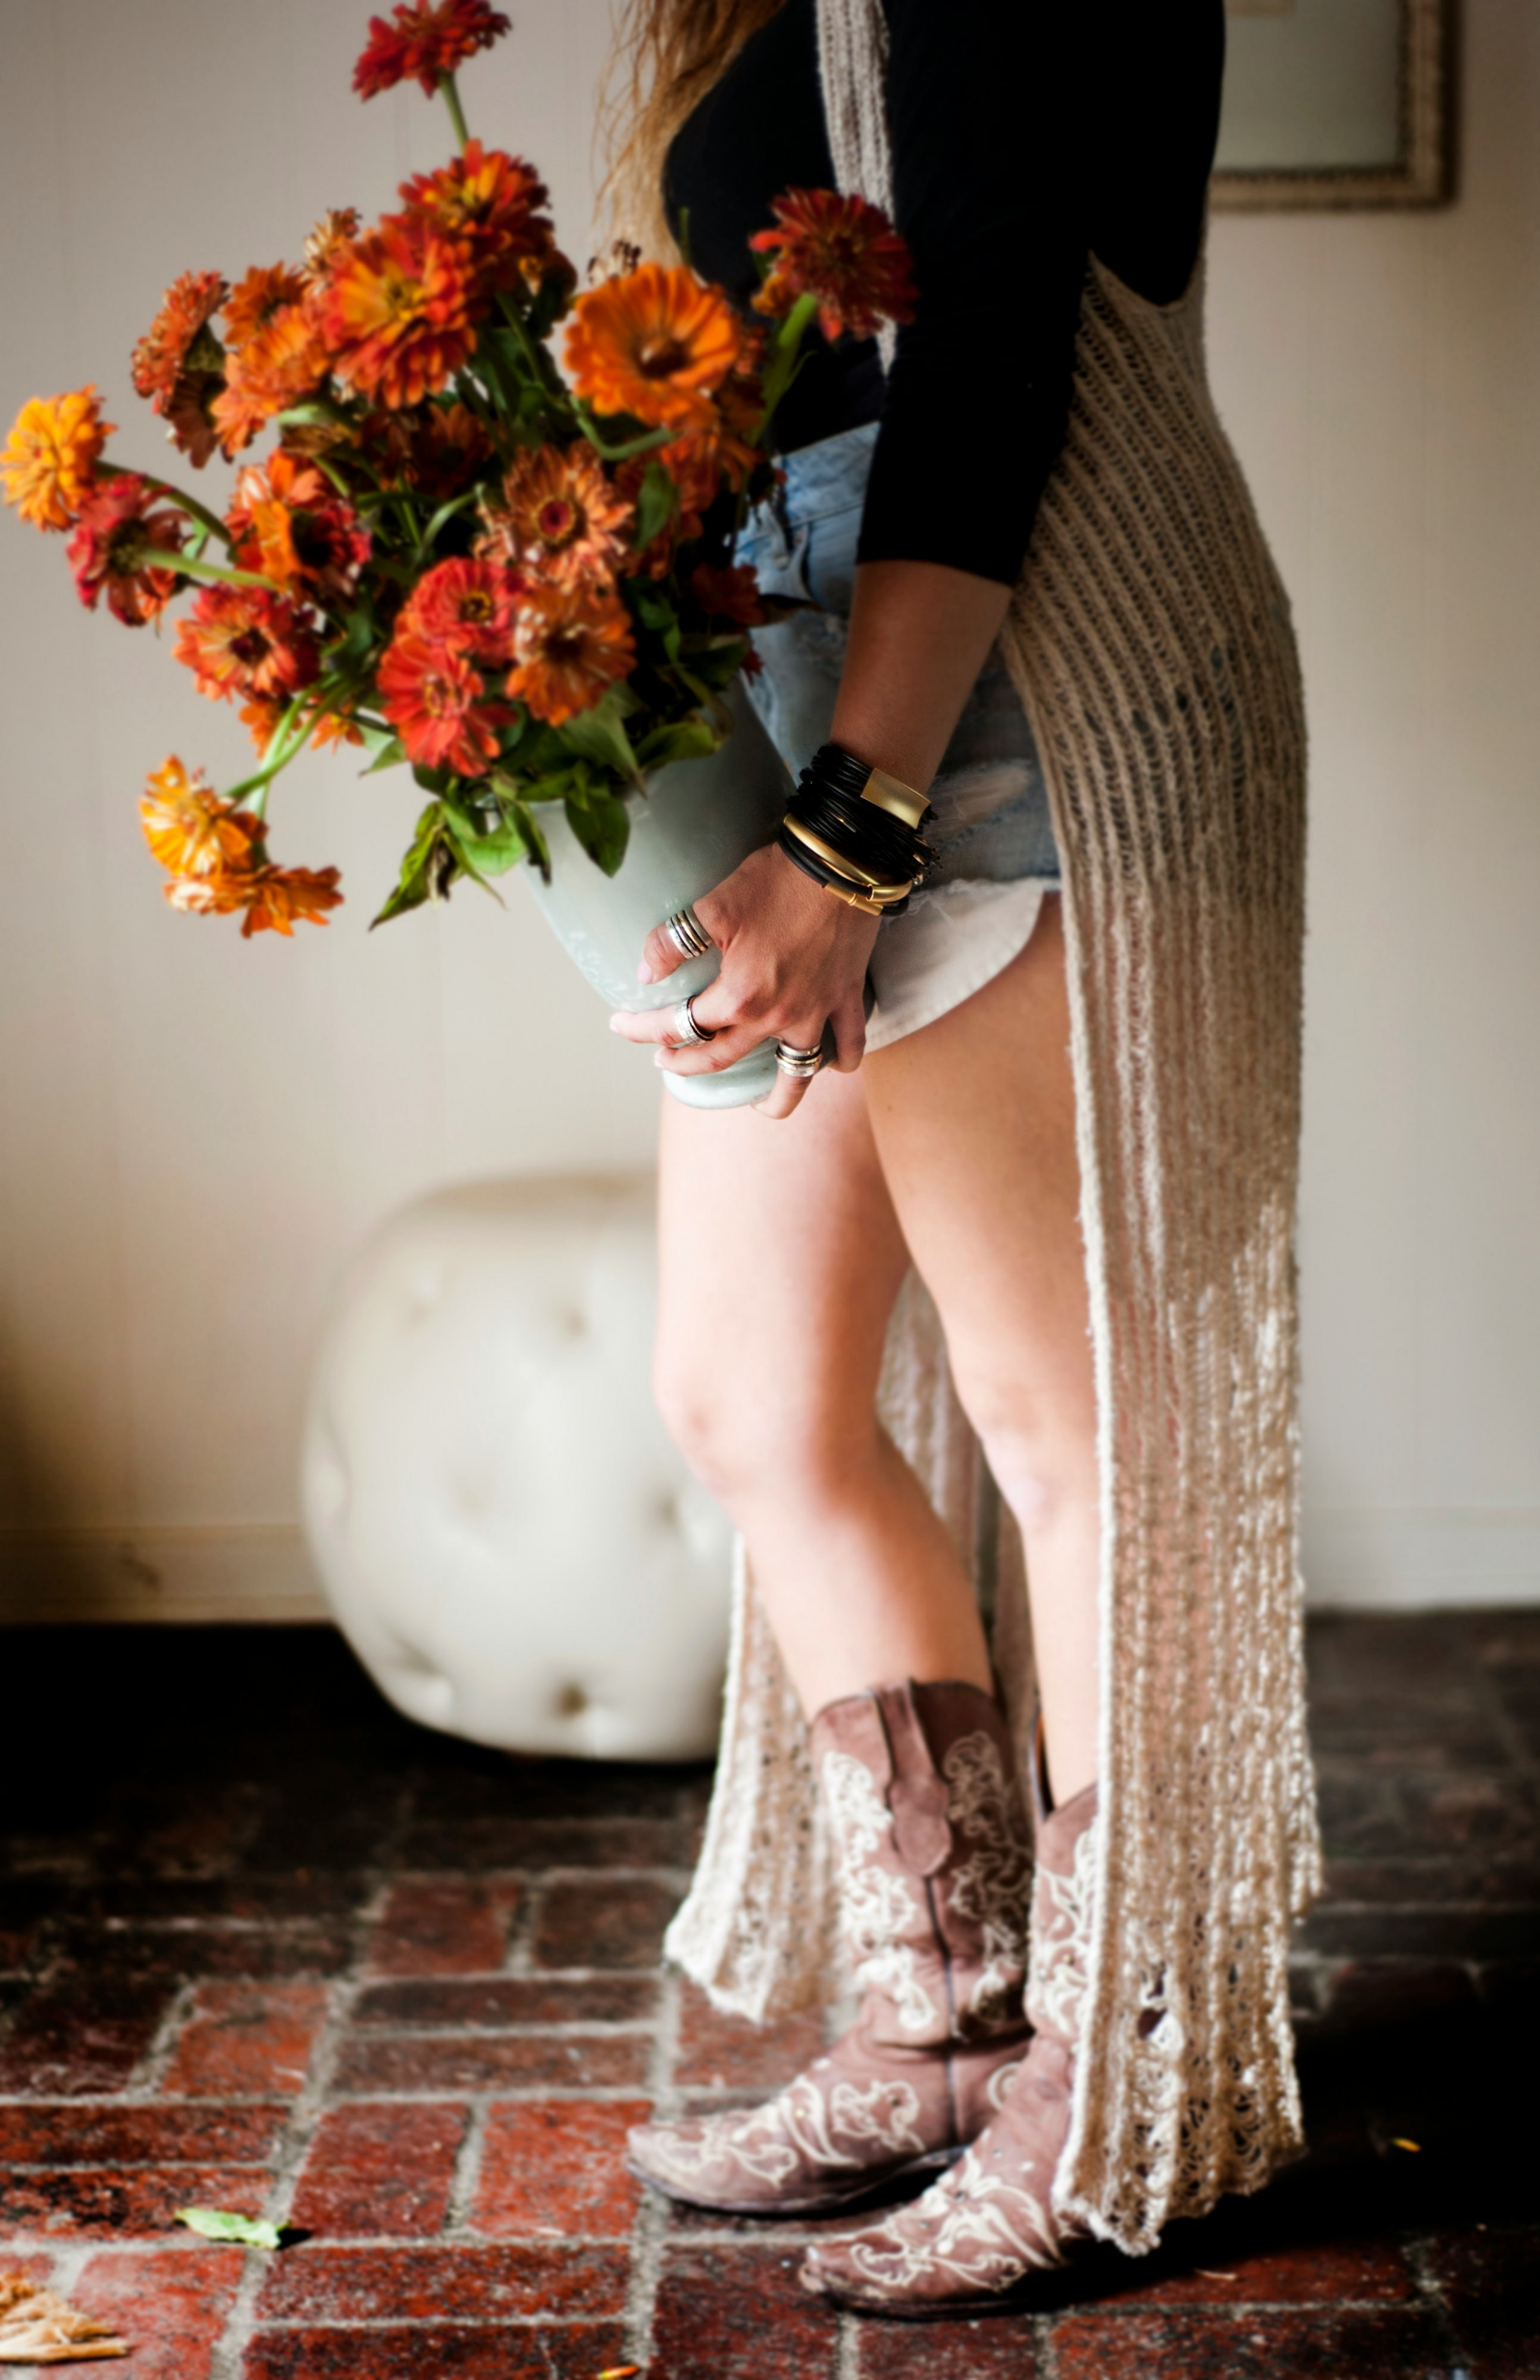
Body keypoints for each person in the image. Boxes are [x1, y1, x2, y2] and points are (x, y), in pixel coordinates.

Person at [602, 0, 1319, 2315]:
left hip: (1008, 665)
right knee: (747, 1380)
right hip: (812, 686)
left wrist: (847, 823)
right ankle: (948, 2001)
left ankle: (1123, 2067)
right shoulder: (706, 10)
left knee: (1062, 1418)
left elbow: (988, 343)